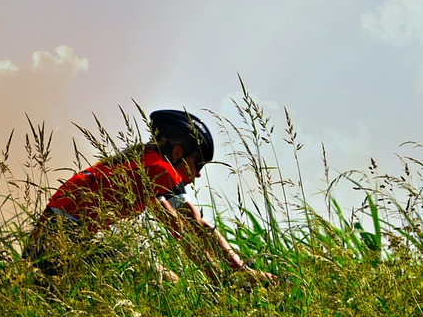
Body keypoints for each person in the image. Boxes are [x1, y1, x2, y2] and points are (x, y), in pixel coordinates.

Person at [23, 109, 274, 286]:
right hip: (66, 238)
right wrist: (234, 273)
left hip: (52, 238)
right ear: (177, 152)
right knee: (164, 281)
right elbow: (190, 227)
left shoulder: (143, 166)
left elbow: (188, 229)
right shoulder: (159, 169)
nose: (197, 174)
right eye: (197, 163)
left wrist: (227, 274)